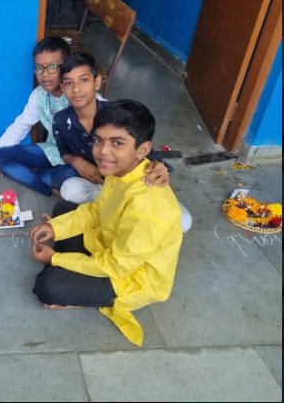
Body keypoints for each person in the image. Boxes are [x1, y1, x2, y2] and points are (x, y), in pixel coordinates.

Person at [29, 99, 183, 347]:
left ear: (142, 150)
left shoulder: (145, 206)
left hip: (129, 275)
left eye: (117, 143)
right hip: (108, 243)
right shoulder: (122, 170)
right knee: (63, 210)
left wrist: (55, 259)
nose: (103, 152)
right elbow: (96, 211)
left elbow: (116, 266)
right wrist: (54, 227)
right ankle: (74, 271)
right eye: (99, 140)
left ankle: (80, 289)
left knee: (47, 287)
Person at [0, 37, 168, 197]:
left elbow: (131, 136)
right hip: (56, 152)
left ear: (66, 67)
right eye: (39, 68)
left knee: (65, 177)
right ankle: (49, 187)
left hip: (92, 161)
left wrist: (157, 163)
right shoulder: (39, 95)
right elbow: (21, 125)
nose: (45, 74)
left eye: (52, 66)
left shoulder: (86, 99)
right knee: (0, 156)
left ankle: (52, 179)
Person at [52, 52, 191, 231]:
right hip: (100, 184)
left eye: (84, 80)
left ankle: (121, 210)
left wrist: (158, 164)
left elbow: (143, 148)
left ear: (97, 82)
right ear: (62, 88)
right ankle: (117, 211)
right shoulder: (61, 120)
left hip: (129, 183)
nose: (76, 89)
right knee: (68, 188)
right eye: (69, 83)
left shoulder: (119, 114)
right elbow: (64, 152)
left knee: (183, 221)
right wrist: (76, 161)